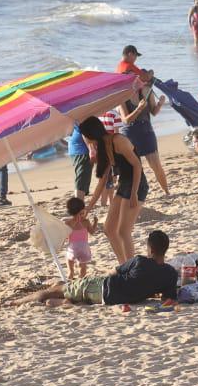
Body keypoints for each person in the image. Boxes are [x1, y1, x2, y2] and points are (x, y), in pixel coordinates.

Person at [15, 229, 177, 307]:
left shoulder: (140, 261)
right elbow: (168, 299)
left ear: (151, 250)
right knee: (65, 290)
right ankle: (65, 302)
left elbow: (112, 272)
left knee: (58, 287)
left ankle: (18, 302)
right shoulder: (170, 274)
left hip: (103, 288)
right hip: (113, 300)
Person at [79, 115, 145, 264]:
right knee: (109, 229)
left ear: (90, 134)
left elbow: (137, 165)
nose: (83, 138)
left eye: (83, 135)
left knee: (123, 231)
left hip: (137, 184)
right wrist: (88, 208)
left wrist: (134, 192)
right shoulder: (103, 147)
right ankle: (124, 265)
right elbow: (102, 183)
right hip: (124, 185)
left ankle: (132, 268)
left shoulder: (118, 140)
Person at [115, 49, 169, 195]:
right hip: (129, 132)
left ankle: (167, 192)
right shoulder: (122, 97)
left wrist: (161, 103)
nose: (134, 80)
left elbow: (153, 112)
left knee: (155, 164)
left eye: (134, 77)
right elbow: (125, 119)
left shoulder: (146, 91)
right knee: (132, 167)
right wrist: (138, 109)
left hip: (145, 130)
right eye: (130, 77)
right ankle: (132, 194)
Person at [63, 197, 95, 279]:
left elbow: (65, 236)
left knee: (69, 259)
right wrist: (95, 222)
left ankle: (71, 272)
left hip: (73, 248)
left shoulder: (68, 223)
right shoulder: (86, 222)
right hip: (84, 248)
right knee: (83, 267)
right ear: (81, 210)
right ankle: (81, 278)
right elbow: (92, 232)